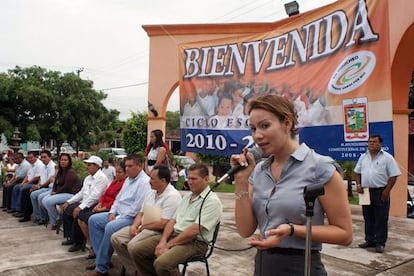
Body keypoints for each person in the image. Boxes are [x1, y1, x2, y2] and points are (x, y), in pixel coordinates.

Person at [230, 94, 352, 276]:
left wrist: (292, 230)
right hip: (263, 264)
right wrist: (240, 182)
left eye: (265, 126)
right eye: (253, 129)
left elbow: (344, 234)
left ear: (287, 123)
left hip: (301, 265)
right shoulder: (260, 171)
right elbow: (245, 230)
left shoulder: (320, 168)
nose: (257, 136)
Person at [129, 163, 222, 276]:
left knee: (162, 263)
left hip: (195, 243)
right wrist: (163, 240)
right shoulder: (187, 196)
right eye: (188, 178)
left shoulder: (212, 201)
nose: (190, 182)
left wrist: (168, 245)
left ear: (206, 179)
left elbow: (194, 230)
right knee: (136, 250)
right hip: (175, 235)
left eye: (194, 179)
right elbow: (172, 221)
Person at [111, 164, 182, 274]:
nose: (149, 181)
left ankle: (145, 271)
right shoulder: (151, 191)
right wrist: (135, 226)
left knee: (133, 246)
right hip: (144, 228)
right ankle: (135, 269)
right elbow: (141, 212)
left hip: (157, 232)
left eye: (153, 179)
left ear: (162, 181)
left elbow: (163, 223)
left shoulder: (172, 196)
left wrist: (143, 227)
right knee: (116, 238)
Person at [87, 154, 151, 276]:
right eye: (126, 166)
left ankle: (101, 267)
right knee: (93, 220)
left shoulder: (144, 182)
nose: (127, 168)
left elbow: (137, 208)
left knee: (110, 227)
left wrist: (117, 217)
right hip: (118, 214)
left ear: (139, 166)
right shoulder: (128, 180)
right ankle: (102, 258)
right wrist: (112, 212)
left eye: (130, 166)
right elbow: (118, 199)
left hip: (131, 218)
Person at [354, 134, 401, 253]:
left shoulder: (387, 158)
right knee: (368, 217)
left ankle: (380, 242)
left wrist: (386, 191)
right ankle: (369, 240)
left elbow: (394, 175)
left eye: (374, 142)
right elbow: (357, 172)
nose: (371, 144)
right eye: (369, 142)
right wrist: (358, 185)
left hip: (381, 192)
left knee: (381, 218)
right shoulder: (363, 157)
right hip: (366, 192)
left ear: (380, 144)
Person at [61, 156, 110, 252]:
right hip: (85, 202)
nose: (86, 167)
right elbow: (81, 193)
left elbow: (95, 197)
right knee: (66, 209)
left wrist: (80, 207)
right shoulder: (88, 178)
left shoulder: (102, 178)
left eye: (89, 165)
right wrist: (69, 201)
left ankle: (79, 243)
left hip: (94, 204)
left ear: (96, 166)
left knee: (79, 214)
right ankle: (70, 236)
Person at [78, 163, 126, 259]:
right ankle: (93, 245)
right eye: (116, 172)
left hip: (109, 208)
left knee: (88, 219)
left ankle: (97, 251)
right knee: (81, 217)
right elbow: (104, 195)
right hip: (102, 205)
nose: (117, 174)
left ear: (125, 173)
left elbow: (116, 200)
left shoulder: (124, 184)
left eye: (120, 172)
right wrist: (100, 204)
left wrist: (104, 208)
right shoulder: (114, 182)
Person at [42, 153, 81, 230]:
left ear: (69, 161)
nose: (63, 162)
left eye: (65, 160)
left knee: (48, 202)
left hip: (70, 194)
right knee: (43, 200)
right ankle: (57, 218)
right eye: (62, 160)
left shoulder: (71, 172)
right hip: (61, 193)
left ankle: (55, 222)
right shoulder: (60, 171)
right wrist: (54, 190)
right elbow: (55, 184)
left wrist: (56, 192)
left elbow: (67, 187)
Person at [19, 150, 56, 223]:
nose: (43, 159)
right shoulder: (44, 166)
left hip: (49, 187)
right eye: (41, 157)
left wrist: (39, 186)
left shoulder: (53, 166)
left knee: (35, 194)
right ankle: (38, 216)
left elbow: (49, 180)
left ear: (50, 157)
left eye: (45, 157)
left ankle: (43, 217)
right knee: (32, 193)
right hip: (43, 186)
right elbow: (41, 178)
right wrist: (38, 185)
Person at [11, 151, 44, 217]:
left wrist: (27, 183)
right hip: (30, 182)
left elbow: (37, 177)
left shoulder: (39, 165)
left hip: (35, 183)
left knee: (23, 189)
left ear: (36, 157)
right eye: (28, 158)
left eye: (31, 158)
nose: (30, 160)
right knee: (17, 187)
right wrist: (23, 183)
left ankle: (21, 210)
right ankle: (14, 207)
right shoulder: (31, 164)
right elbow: (27, 175)